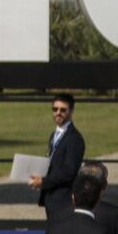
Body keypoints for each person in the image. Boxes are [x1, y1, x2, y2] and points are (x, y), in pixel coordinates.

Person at [29, 94, 86, 223]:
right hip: (51, 198)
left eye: (63, 110)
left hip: (64, 199)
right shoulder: (54, 135)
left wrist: (44, 181)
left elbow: (69, 172)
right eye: (55, 109)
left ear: (71, 111)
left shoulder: (74, 139)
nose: (58, 113)